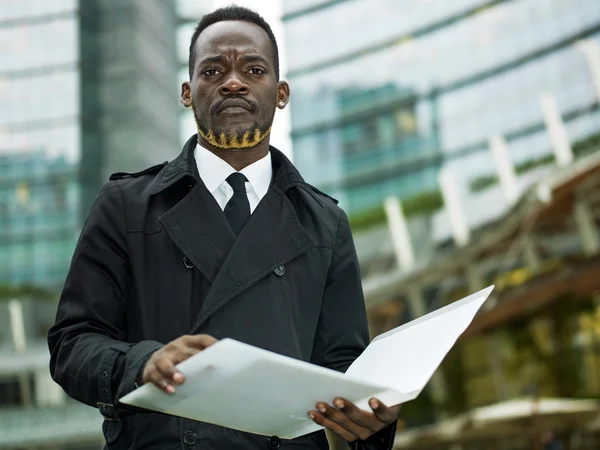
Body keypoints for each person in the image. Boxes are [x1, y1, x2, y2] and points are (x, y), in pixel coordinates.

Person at [48, 5, 400, 450]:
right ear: (187, 92)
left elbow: (343, 368)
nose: (233, 82)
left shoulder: (326, 223)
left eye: (253, 69)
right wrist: (143, 363)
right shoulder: (125, 206)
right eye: (213, 70)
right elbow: (72, 344)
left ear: (281, 92)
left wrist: (372, 418)